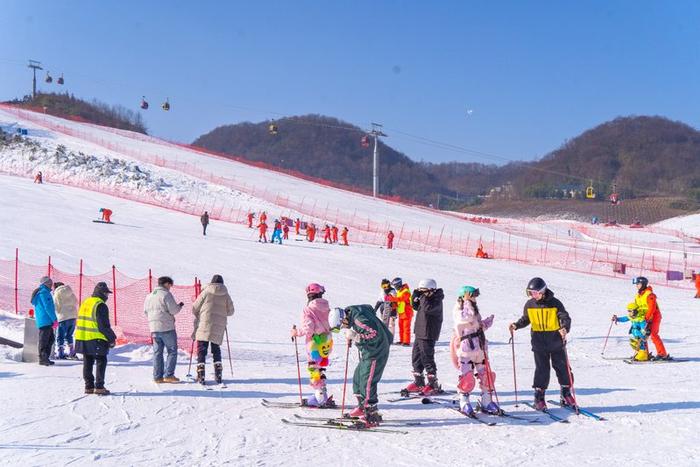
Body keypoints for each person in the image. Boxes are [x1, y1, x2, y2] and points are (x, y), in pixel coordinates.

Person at [509, 277, 574, 410]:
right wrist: (516, 325)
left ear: (542, 291)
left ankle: (566, 393)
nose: (533, 295)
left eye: (535, 293)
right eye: (530, 293)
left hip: (556, 342)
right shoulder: (529, 304)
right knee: (542, 370)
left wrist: (564, 328)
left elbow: (564, 317)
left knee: (563, 368)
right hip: (539, 343)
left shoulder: (555, 303)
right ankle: (539, 396)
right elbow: (526, 319)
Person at [331, 304, 392, 427]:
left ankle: (371, 414)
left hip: (376, 351)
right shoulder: (355, 315)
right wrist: (354, 337)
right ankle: (361, 407)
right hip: (368, 351)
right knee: (358, 378)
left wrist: (356, 336)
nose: (344, 327)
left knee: (367, 382)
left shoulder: (359, 319)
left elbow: (373, 334)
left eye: (342, 325)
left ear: (343, 318)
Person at [450, 286, 499, 415]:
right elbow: (466, 319)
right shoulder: (459, 309)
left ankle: (486, 401)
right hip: (466, 349)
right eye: (472, 295)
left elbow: (475, 326)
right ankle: (464, 402)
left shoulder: (472, 308)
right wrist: (467, 302)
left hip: (479, 348)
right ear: (464, 296)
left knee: (486, 376)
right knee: (467, 378)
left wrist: (486, 323)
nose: (474, 298)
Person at [290, 283, 335, 407]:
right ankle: (322, 395)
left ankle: (320, 398)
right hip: (327, 342)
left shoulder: (308, 309)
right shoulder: (327, 308)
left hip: (314, 344)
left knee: (313, 369)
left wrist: (296, 332)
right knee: (320, 368)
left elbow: (308, 329)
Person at [192, 275, 235, 385]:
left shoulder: (206, 292)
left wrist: (200, 313)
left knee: (202, 348)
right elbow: (231, 312)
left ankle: (201, 373)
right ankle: (218, 373)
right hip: (219, 326)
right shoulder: (226, 294)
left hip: (204, 324)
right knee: (216, 348)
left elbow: (194, 307)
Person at [75, 282, 117, 395]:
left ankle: (88, 386)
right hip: (96, 338)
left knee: (87, 361)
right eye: (106, 293)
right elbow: (103, 325)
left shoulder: (86, 302)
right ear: (102, 293)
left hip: (83, 337)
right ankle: (99, 386)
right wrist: (112, 338)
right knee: (101, 360)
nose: (107, 296)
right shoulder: (100, 305)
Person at [404, 279, 444, 395]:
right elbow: (416, 306)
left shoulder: (436, 299)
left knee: (427, 358)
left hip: (428, 332)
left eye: (424, 291)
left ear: (432, 290)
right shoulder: (425, 298)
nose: (423, 294)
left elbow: (427, 308)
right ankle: (418, 382)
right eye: (421, 291)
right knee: (416, 357)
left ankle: (432, 384)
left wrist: (421, 297)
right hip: (420, 331)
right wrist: (414, 297)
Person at [144, 276, 184, 383]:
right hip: (166, 327)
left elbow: (145, 311)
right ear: (166, 284)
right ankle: (169, 375)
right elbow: (174, 310)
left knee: (158, 353)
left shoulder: (149, 296)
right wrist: (180, 306)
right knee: (172, 351)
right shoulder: (166, 294)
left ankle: (157, 377)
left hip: (153, 328)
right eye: (170, 285)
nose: (170, 287)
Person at [629, 276, 669, 360]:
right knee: (642, 335)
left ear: (643, 284)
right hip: (644, 318)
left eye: (638, 284)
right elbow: (637, 307)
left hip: (654, 317)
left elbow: (652, 308)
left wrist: (646, 318)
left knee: (654, 335)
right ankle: (643, 354)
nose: (637, 285)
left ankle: (662, 354)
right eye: (636, 284)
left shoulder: (650, 295)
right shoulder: (638, 296)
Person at [31, 276, 58, 366]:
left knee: (50, 339)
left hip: (45, 320)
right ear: (45, 283)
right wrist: (54, 319)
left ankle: (45, 357)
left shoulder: (43, 292)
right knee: (45, 340)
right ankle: (42, 358)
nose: (51, 285)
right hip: (45, 320)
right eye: (50, 283)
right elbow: (48, 307)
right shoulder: (44, 293)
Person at [53, 281, 78, 360]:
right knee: (69, 335)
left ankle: (61, 353)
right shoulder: (70, 292)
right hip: (73, 317)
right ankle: (72, 352)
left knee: (60, 336)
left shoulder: (57, 293)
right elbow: (76, 302)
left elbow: (56, 306)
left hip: (63, 317)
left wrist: (58, 313)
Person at [388, 277, 413, 346]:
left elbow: (401, 299)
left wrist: (392, 299)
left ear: (398, 284)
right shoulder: (399, 291)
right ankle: (402, 340)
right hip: (401, 312)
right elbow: (399, 302)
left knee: (406, 327)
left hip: (407, 312)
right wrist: (394, 305)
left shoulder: (406, 291)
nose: (395, 287)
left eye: (395, 285)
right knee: (401, 327)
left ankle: (406, 342)